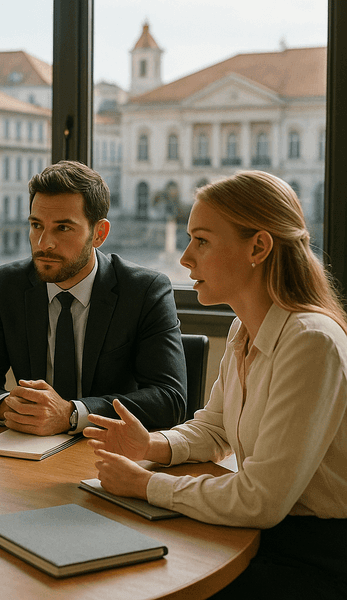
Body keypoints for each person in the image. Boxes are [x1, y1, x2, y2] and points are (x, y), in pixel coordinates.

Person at [85, 171, 347, 598]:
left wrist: (144, 484)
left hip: (316, 556)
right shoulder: (245, 329)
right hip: (268, 535)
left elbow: (260, 499)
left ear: (258, 247)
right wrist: (151, 446)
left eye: (201, 240)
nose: (186, 258)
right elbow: (215, 429)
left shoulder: (310, 342)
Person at [0, 160, 186, 436]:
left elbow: (169, 399)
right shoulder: (9, 284)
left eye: (63, 228)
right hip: (28, 450)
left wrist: (72, 414)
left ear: (98, 233)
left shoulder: (145, 291)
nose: (43, 243)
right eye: (37, 225)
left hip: (108, 452)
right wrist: (8, 407)